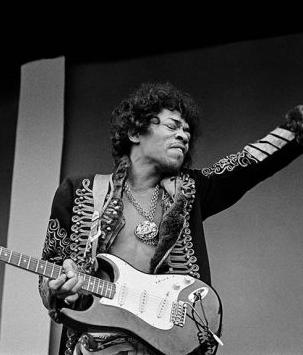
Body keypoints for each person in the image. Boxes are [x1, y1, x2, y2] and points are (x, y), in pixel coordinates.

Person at [38, 82, 303, 355]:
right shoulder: (80, 191)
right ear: (134, 132)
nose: (184, 136)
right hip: (95, 346)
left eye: (187, 131)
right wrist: (59, 288)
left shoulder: (189, 191)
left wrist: (296, 127)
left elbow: (248, 164)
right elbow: (52, 266)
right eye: (172, 126)